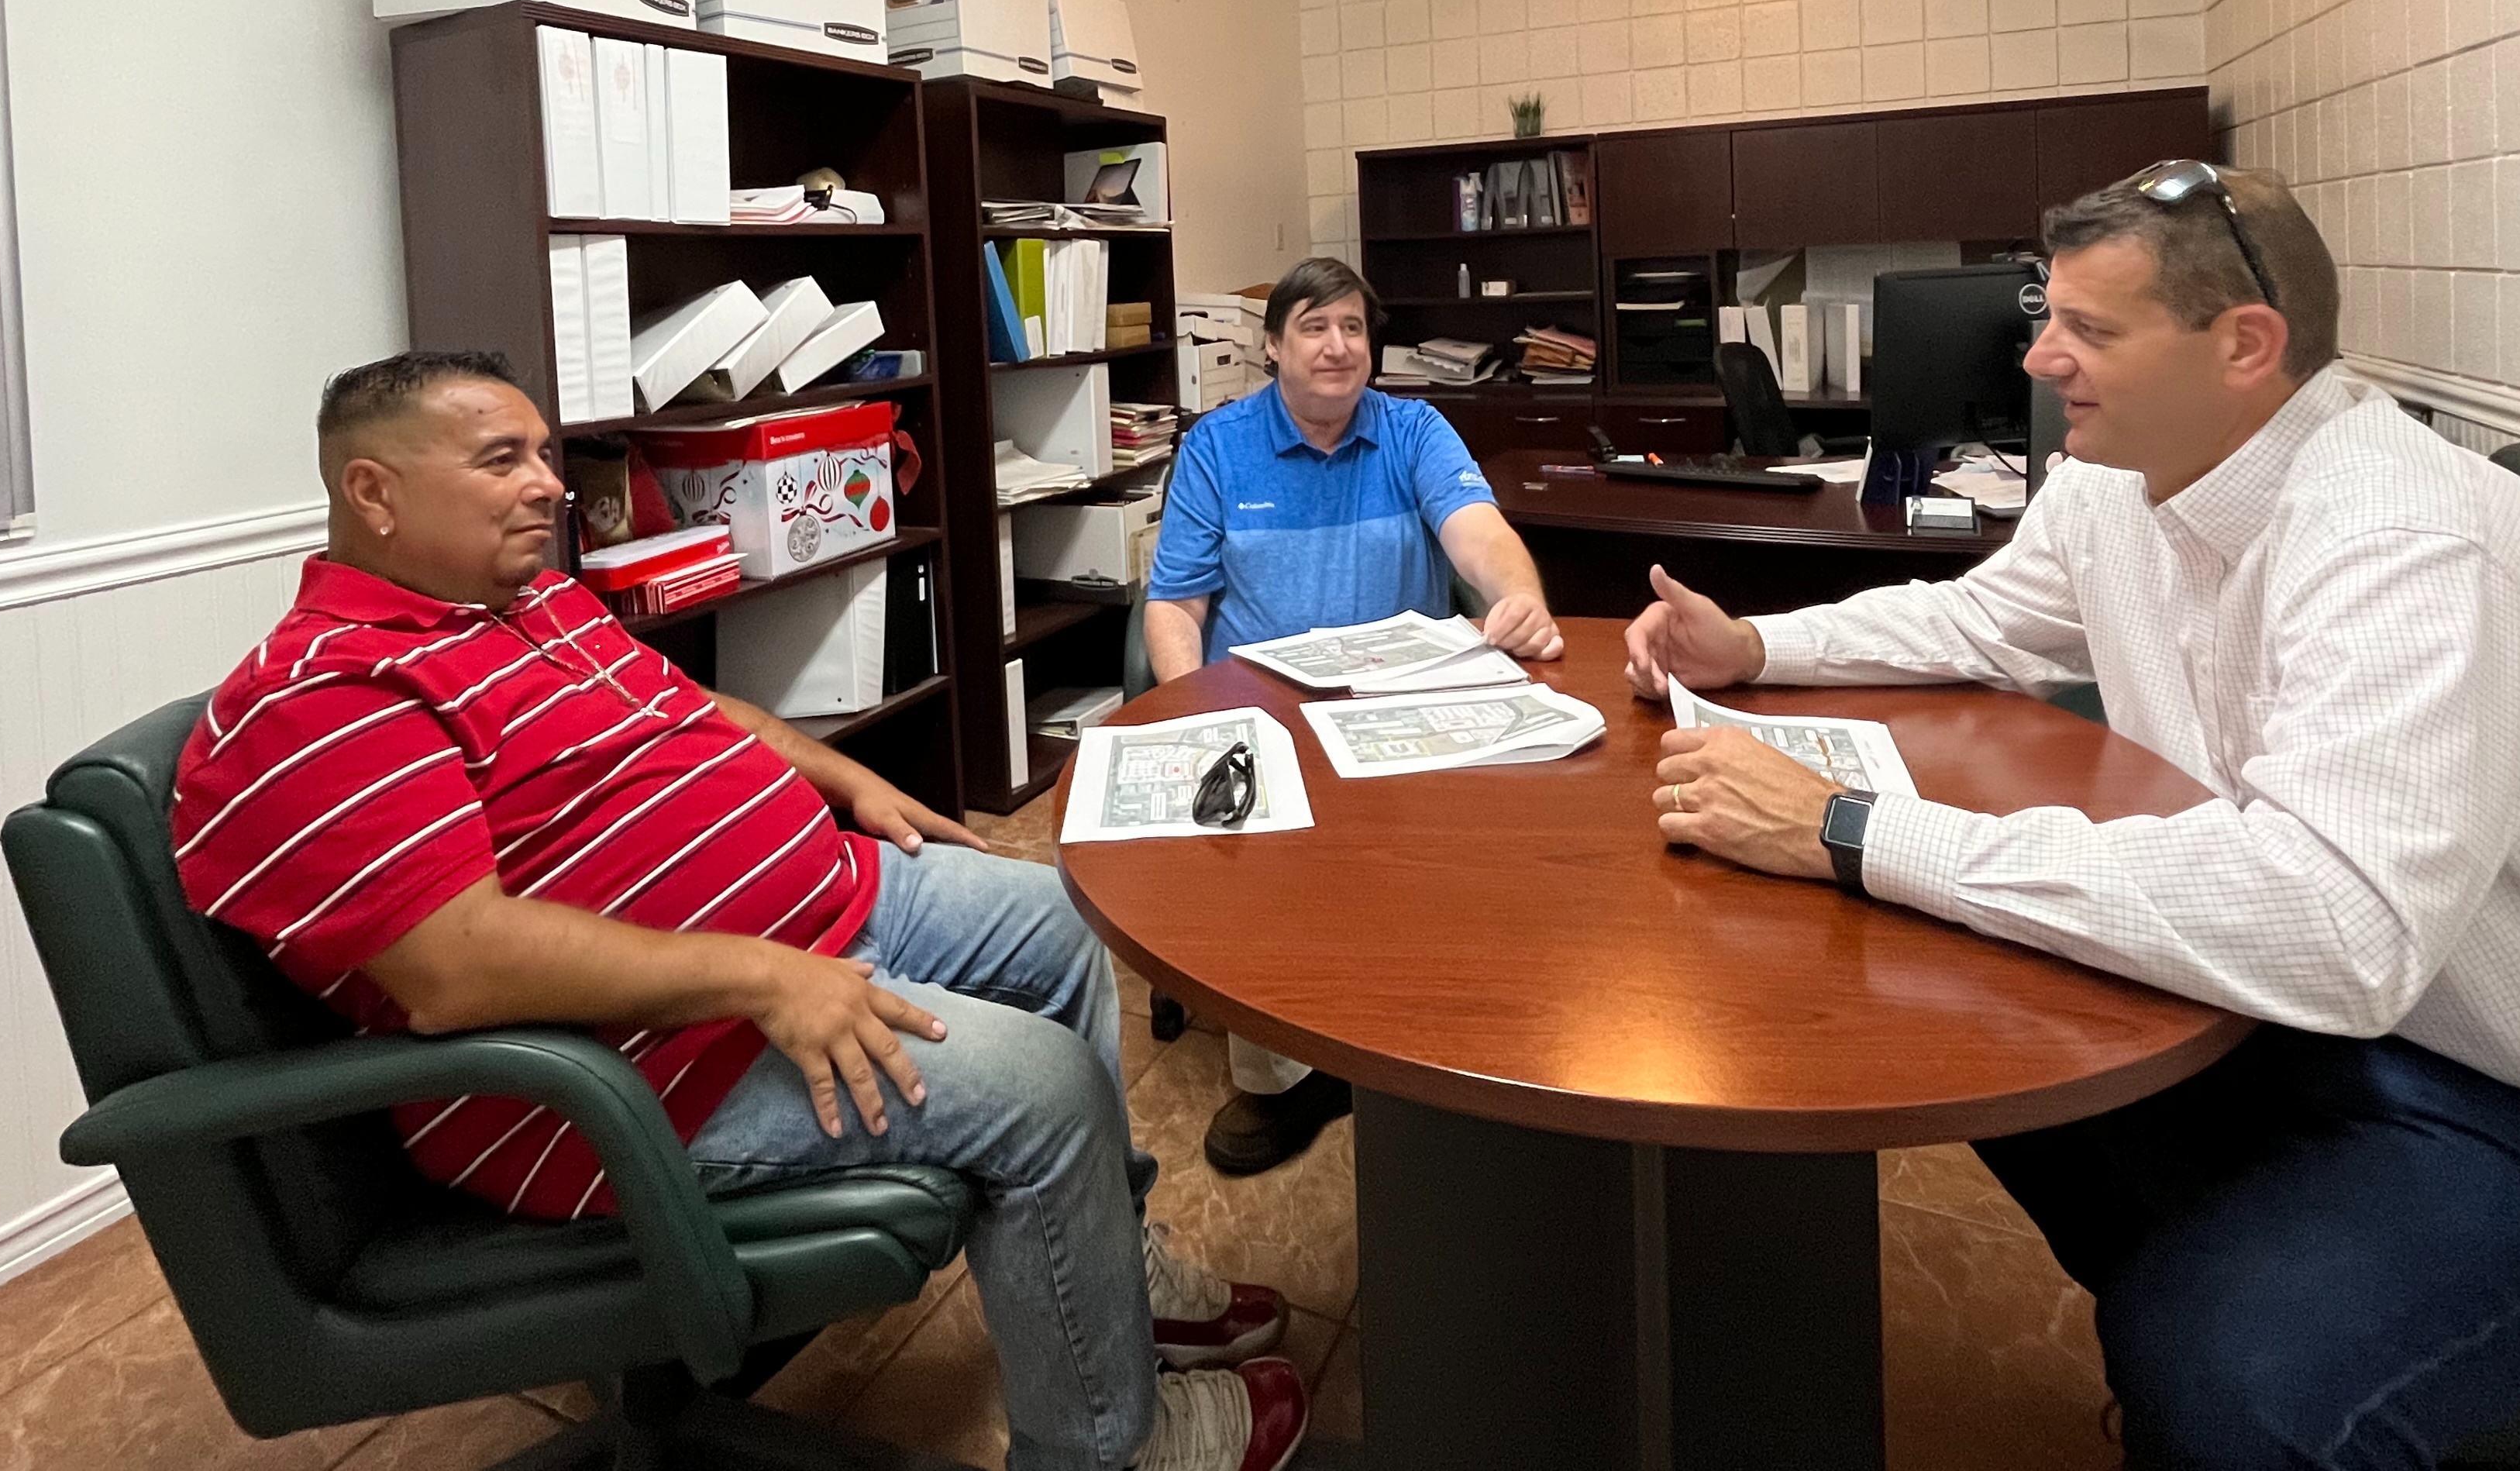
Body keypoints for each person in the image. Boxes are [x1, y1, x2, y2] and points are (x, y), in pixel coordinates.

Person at [1625, 163, 2520, 1470]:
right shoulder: (2119, 475)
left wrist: (1848, 829)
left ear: (2244, 343)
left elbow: (2330, 927)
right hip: (2352, 1024)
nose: (2039, 353)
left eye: (2088, 327)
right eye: (2046, 313)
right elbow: (1981, 619)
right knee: (1969, 1032)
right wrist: (1749, 643)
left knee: (2226, 1366)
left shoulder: (2407, 542)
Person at [174, 353, 1308, 1471]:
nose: (549, 484)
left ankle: (1110, 1265)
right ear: (372, 492)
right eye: (501, 459)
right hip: (638, 1072)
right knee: (1039, 1089)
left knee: (1066, 921)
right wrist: (763, 977)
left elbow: (692, 706)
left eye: (545, 455)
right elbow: (456, 967)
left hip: (823, 908)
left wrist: (844, 779)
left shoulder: (533, 603)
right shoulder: (325, 696)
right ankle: (1112, 1447)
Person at [1145, 255, 1562, 1175]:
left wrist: (1519, 594)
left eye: (1354, 329)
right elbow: (1176, 605)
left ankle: (1411, 1037)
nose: (1339, 347)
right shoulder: (1218, 446)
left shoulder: (1413, 428)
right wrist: (1193, 712)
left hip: (1395, 709)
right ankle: (1278, 1083)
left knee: (1456, 856)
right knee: (1263, 872)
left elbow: (1477, 531)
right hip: (1265, 714)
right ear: (1271, 347)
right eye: (1314, 328)